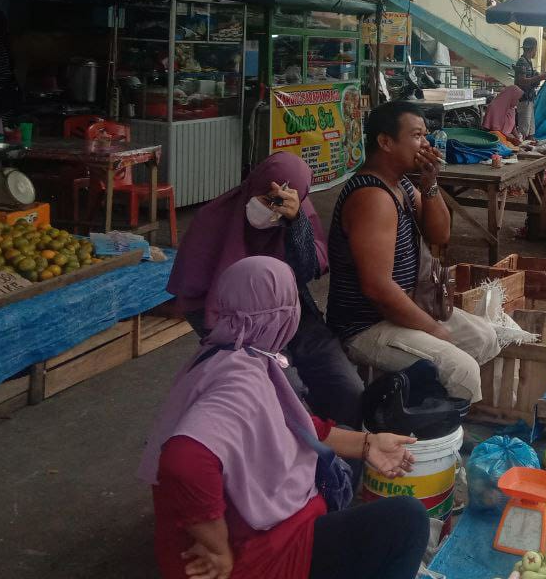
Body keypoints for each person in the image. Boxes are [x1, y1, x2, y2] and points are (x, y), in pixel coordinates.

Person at [140, 256, 429, 579]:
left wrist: (367, 444)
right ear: (278, 318)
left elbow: (295, 425)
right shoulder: (238, 382)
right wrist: (217, 546)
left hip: (256, 540)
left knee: (337, 461)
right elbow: (184, 461)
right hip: (258, 557)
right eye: (291, 303)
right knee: (408, 519)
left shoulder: (225, 352)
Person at [168, 153, 363, 429]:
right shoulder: (213, 220)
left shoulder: (298, 217)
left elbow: (308, 269)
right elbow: (195, 297)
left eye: (282, 202)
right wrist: (233, 346)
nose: (273, 209)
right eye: (268, 200)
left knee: (347, 389)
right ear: (253, 187)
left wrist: (295, 223)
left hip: (296, 317)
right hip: (240, 332)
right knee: (285, 396)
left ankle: (343, 462)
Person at [326, 102, 500, 402]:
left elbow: (440, 234)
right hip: (366, 325)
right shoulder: (373, 197)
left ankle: (426, 407)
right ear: (385, 142)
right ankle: (433, 433)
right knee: (462, 371)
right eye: (417, 135)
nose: (426, 144)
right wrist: (433, 328)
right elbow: (377, 287)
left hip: (405, 309)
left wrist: (431, 182)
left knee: (484, 338)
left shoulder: (401, 185)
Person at [512, 37, 545, 139]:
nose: (536, 51)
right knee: (524, 129)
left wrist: (537, 77)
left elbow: (529, 80)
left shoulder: (528, 62)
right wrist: (539, 77)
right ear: (533, 48)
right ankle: (522, 150)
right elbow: (522, 81)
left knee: (531, 130)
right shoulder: (522, 62)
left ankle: (529, 148)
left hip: (529, 99)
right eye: (536, 48)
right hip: (523, 99)